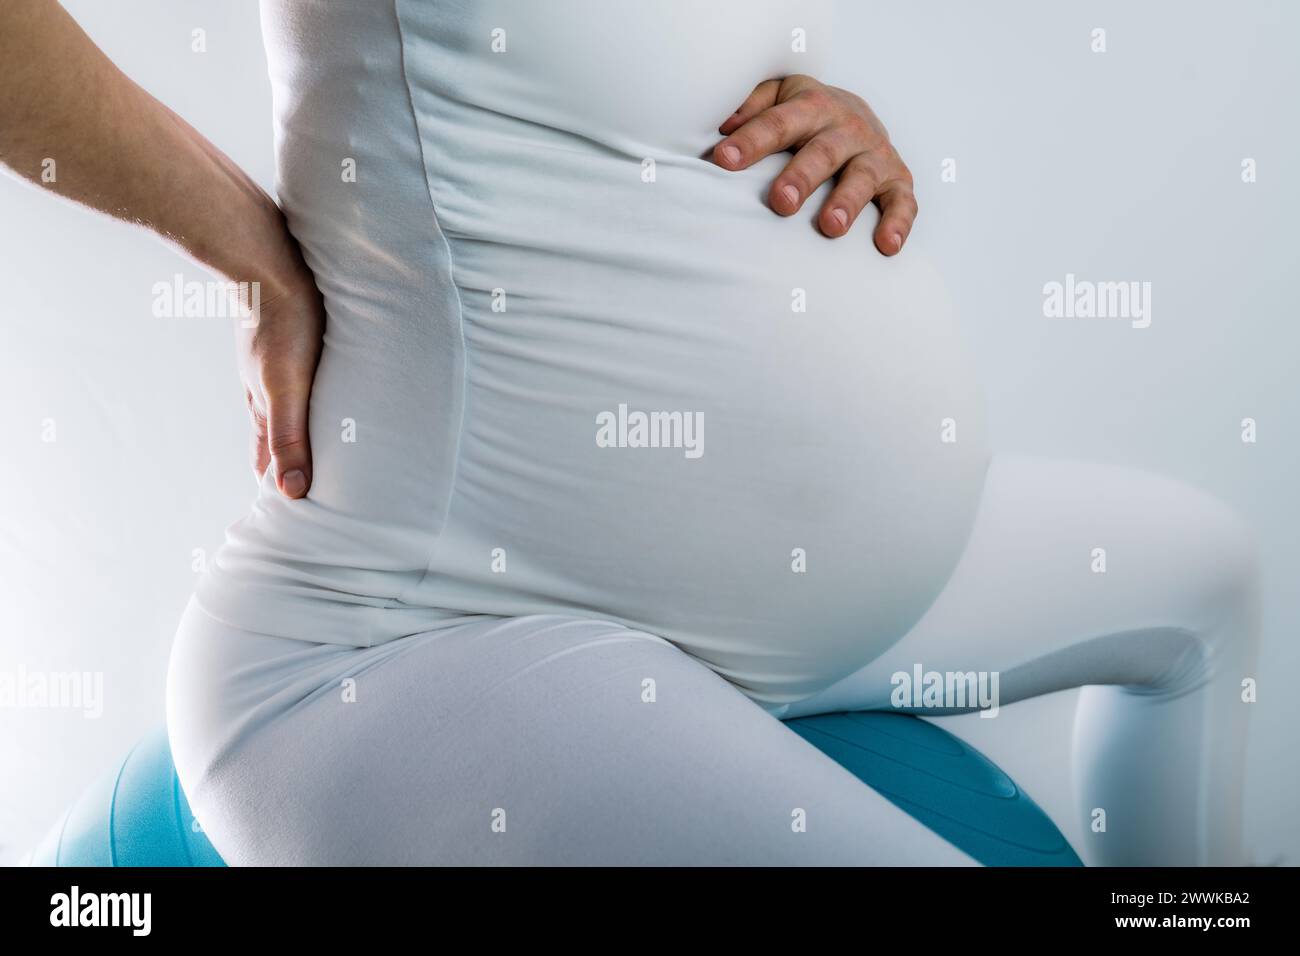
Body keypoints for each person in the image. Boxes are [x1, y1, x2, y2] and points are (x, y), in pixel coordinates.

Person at [0, 0, 1259, 865]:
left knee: (1209, 583)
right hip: (417, 638)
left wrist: (820, 108)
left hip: (788, 594)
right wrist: (247, 250)